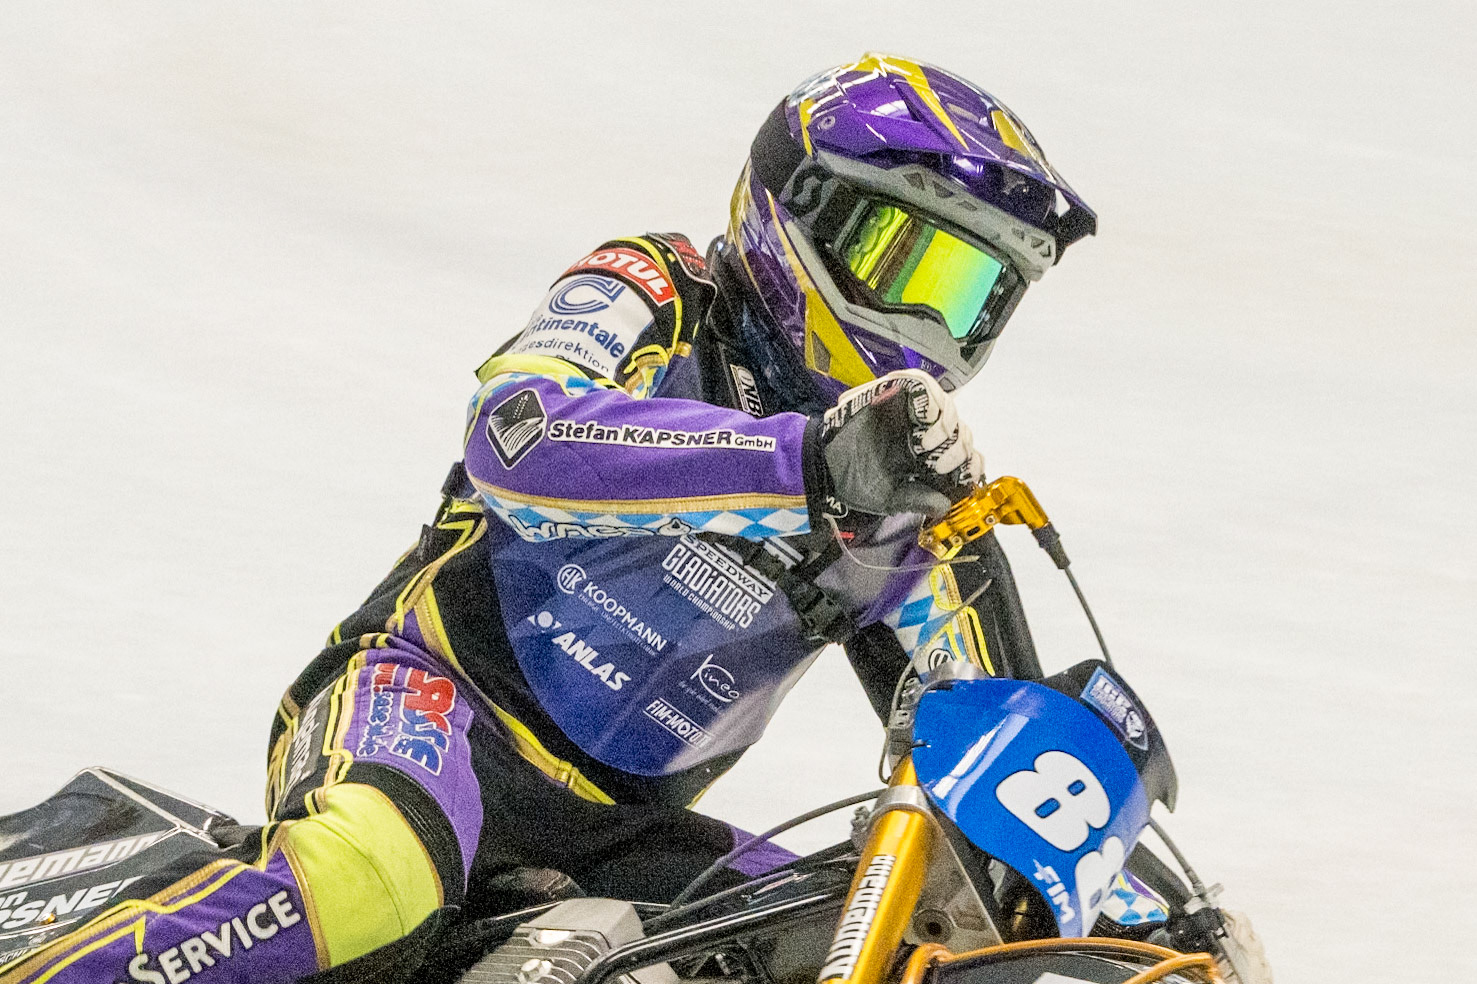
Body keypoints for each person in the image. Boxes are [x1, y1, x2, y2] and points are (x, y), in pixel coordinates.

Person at [1, 54, 1115, 983]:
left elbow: (971, 724)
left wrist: (1086, 875)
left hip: (621, 828)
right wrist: (804, 463)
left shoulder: (898, 492)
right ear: (798, 211)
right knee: (371, 872)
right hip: (428, 704)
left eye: (969, 294)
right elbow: (521, 436)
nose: (926, 322)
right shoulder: (657, 288)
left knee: (847, 934)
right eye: (901, 258)